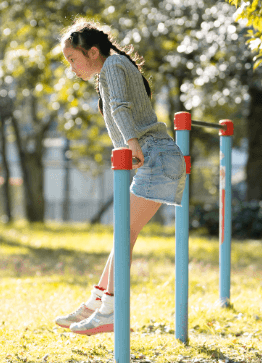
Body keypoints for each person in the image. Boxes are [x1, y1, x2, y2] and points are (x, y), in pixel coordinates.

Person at [55, 18, 186, 335]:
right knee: (123, 233)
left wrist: (132, 146)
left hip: (154, 153)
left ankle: (109, 310)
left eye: (73, 59)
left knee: (124, 233)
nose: (72, 68)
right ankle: (97, 303)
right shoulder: (114, 67)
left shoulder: (113, 66)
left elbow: (121, 109)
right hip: (154, 155)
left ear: (93, 51)